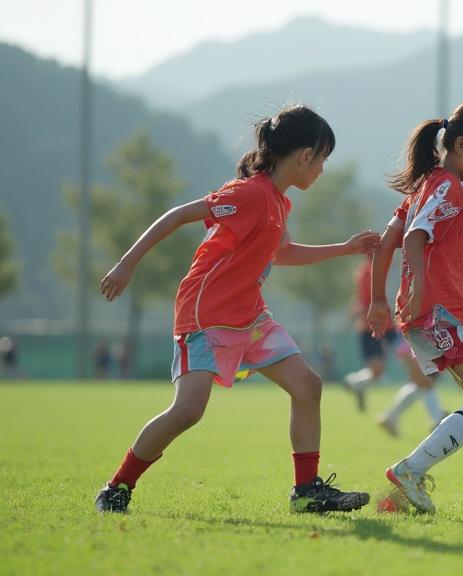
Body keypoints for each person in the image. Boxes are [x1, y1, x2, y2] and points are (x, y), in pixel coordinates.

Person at [93, 105, 379, 514]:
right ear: (305, 156)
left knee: (308, 385)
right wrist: (127, 264)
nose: (322, 169)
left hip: (251, 316)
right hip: (206, 316)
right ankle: (117, 487)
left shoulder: (279, 202)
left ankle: (307, 492)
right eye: (323, 159)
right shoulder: (249, 194)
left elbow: (282, 253)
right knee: (188, 411)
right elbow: (179, 215)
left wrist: (346, 248)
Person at [370, 100, 463, 514]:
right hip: (441, 314)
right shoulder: (448, 188)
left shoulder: (424, 186)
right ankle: (409, 471)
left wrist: (378, 298)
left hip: (427, 315)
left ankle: (399, 495)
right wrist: (419, 287)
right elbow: (414, 236)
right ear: (461, 145)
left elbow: (387, 242)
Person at [344, 254, 447, 432]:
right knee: (422, 378)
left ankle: (389, 414)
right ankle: (436, 418)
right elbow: (370, 301)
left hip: (396, 329)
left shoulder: (378, 271)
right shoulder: (371, 273)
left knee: (422, 379)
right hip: (392, 330)